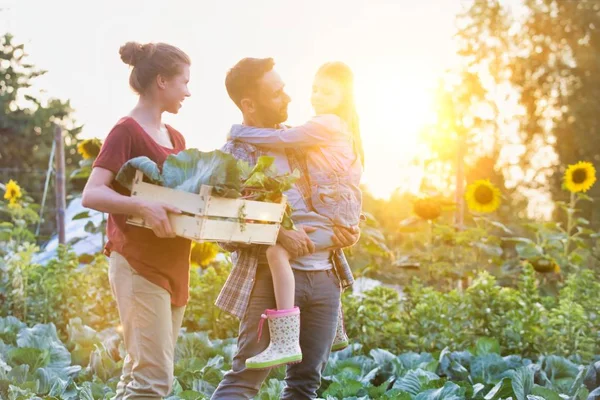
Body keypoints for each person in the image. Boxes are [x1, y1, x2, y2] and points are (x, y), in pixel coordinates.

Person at [211, 57, 360, 400]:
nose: (289, 98)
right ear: (249, 104)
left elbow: (336, 191)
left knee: (305, 385)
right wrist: (277, 234)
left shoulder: (302, 140)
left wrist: (350, 228)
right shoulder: (234, 154)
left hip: (325, 278)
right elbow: (221, 227)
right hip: (270, 278)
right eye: (277, 94)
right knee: (245, 379)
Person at [82, 41, 191, 399]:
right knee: (153, 382)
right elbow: (93, 193)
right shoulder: (125, 131)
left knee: (139, 375)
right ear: (162, 81)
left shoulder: (176, 137)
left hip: (173, 265)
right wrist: (143, 207)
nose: (188, 92)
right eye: (183, 82)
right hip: (138, 264)